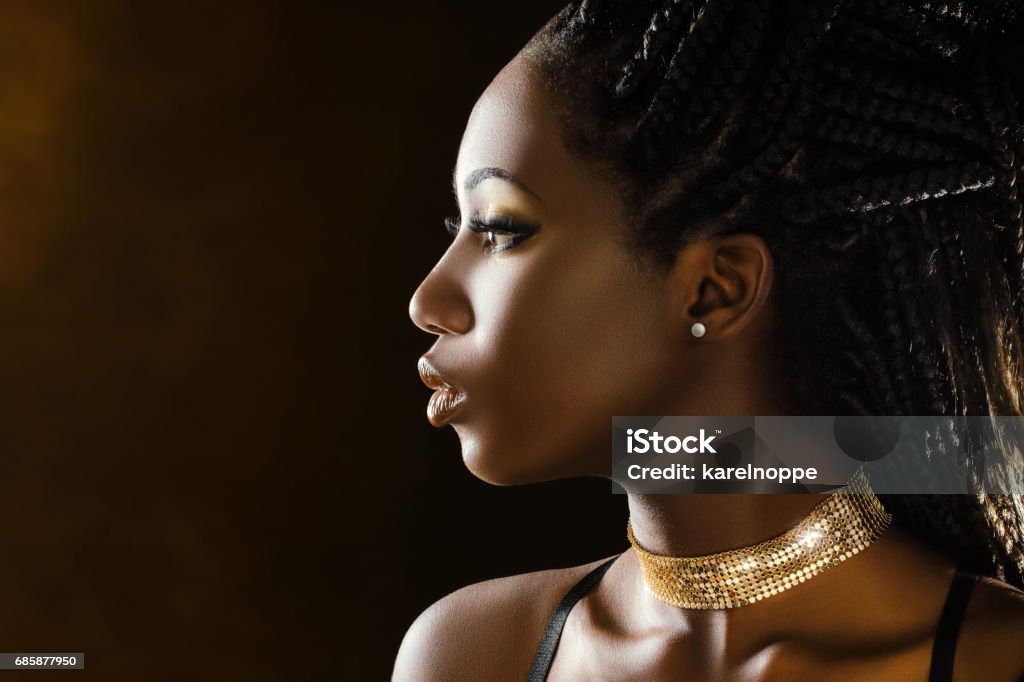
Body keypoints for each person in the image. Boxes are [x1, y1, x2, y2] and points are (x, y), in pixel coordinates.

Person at [397, 0, 1024, 679]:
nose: (427, 300)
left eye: (501, 231)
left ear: (716, 289)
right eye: (455, 229)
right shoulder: (471, 655)